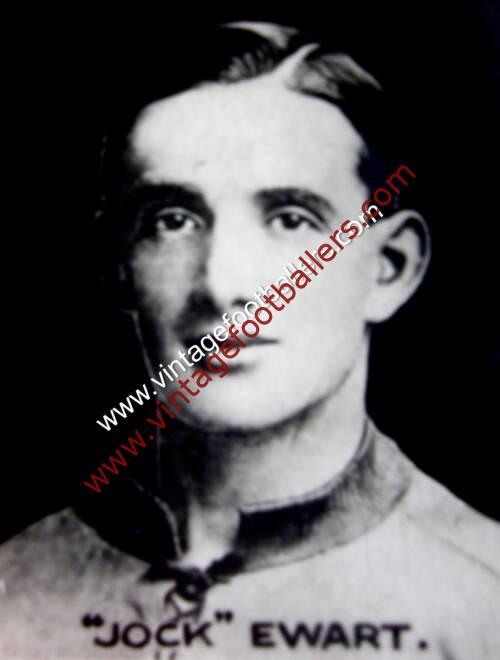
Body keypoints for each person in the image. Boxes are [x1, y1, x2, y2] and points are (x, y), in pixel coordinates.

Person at [1, 21, 499, 660]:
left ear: (389, 267)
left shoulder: (483, 601)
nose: (222, 283)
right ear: (116, 266)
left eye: (290, 219)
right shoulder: (17, 589)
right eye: (173, 220)